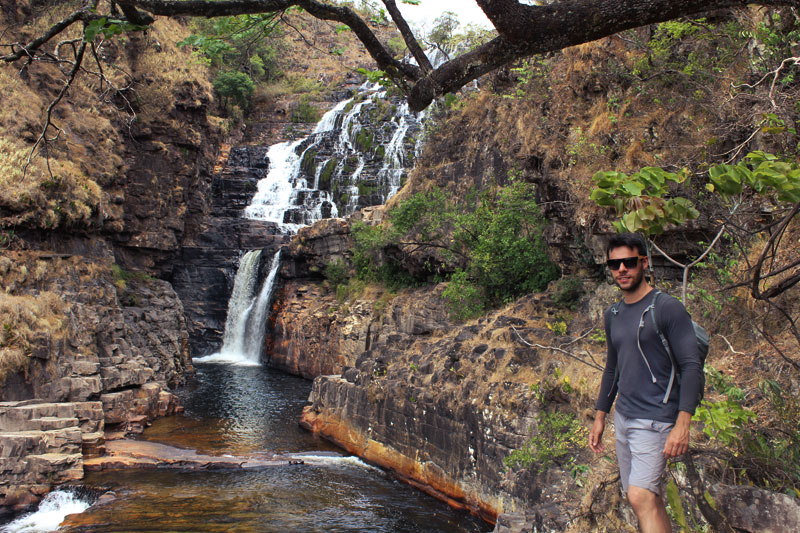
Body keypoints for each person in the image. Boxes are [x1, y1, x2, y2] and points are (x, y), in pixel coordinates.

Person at [589, 233, 703, 533]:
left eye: (628, 262)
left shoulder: (666, 308)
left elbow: (692, 366)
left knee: (640, 497)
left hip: (655, 420)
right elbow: (613, 367)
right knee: (642, 498)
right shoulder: (612, 314)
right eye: (615, 264)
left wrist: (683, 423)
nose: (621, 270)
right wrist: (601, 416)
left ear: (644, 263)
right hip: (624, 418)